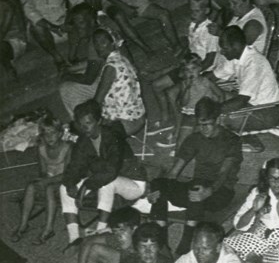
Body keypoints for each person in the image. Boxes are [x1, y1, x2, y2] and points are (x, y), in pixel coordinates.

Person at [147, 97, 242, 255]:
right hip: (196, 189)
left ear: (217, 120)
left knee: (197, 186)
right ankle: (162, 242)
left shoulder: (231, 140)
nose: (203, 129)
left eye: (207, 124)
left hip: (220, 192)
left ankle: (185, 244)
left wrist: (209, 191)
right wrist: (159, 190)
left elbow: (224, 174)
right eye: (199, 124)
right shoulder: (195, 138)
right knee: (158, 183)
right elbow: (175, 171)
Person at [59, 99, 147, 244]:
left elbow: (111, 172)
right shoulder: (83, 141)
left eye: (89, 123)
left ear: (99, 121)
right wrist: (70, 183)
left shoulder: (113, 137)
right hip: (102, 181)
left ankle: (100, 231)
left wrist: (86, 186)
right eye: (81, 125)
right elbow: (75, 166)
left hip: (133, 184)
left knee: (108, 182)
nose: (85, 128)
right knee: (64, 188)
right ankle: (73, 237)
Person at [225, 158, 279, 263]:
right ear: (266, 177)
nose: (275, 182)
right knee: (224, 249)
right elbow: (238, 225)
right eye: (271, 178)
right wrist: (253, 209)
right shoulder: (258, 192)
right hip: (259, 237)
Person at [11, 113, 70, 244]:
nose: (49, 137)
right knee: (31, 186)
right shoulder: (41, 148)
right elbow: (43, 171)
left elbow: (68, 173)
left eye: (53, 133)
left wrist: (47, 181)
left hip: (64, 180)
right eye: (45, 134)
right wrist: (42, 180)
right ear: (41, 136)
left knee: (49, 188)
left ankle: (48, 229)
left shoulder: (67, 148)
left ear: (60, 133)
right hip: (49, 178)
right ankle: (23, 224)